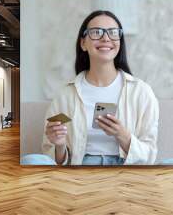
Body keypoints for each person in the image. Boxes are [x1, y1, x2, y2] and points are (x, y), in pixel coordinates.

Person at [42, 10, 159, 165]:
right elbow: (49, 158)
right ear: (83, 43)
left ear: (119, 41)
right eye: (96, 32)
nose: (106, 38)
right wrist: (60, 145)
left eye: (113, 32)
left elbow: (150, 154)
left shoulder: (141, 92)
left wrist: (123, 136)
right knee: (31, 160)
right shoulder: (65, 95)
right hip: (82, 170)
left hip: (126, 171)